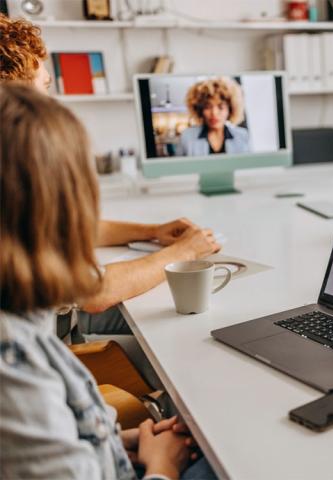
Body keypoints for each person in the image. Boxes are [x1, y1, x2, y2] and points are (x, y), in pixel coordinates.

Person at [0, 83, 214, 479]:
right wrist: (163, 466)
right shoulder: (13, 361)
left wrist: (119, 442)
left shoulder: (19, 325)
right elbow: (96, 292)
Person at [0, 15, 220, 338]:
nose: (52, 101)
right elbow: (94, 292)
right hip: (48, 344)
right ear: (17, 96)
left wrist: (153, 232)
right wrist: (183, 253)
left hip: (51, 326)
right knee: (194, 321)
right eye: (45, 87)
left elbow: (61, 229)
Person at [179, 77, 250, 156]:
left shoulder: (242, 136)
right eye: (208, 107)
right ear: (200, 109)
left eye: (220, 107)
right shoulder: (188, 137)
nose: (214, 113)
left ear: (230, 109)